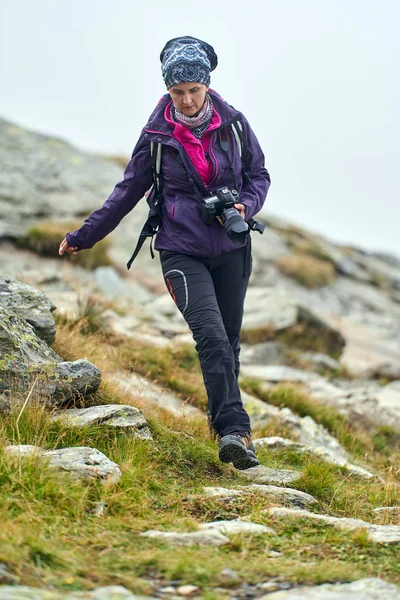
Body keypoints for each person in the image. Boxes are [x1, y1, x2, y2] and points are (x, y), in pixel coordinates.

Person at [59, 36, 271, 470]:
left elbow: (259, 175)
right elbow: (127, 192)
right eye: (178, 93)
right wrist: (85, 235)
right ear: (167, 91)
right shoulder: (156, 136)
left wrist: (245, 206)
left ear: (207, 85)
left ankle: (222, 425)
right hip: (180, 251)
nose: (188, 100)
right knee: (210, 335)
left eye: (195, 90)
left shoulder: (234, 125)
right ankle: (237, 432)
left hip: (232, 247)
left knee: (227, 344)